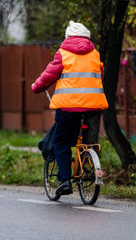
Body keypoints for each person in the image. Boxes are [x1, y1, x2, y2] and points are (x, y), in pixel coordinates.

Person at [31, 21, 108, 195]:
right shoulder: (95, 54)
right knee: (82, 136)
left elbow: (49, 75)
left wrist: (36, 86)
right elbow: (100, 75)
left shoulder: (63, 53)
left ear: (68, 37)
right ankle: (86, 159)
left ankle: (65, 181)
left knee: (60, 143)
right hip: (92, 107)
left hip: (68, 107)